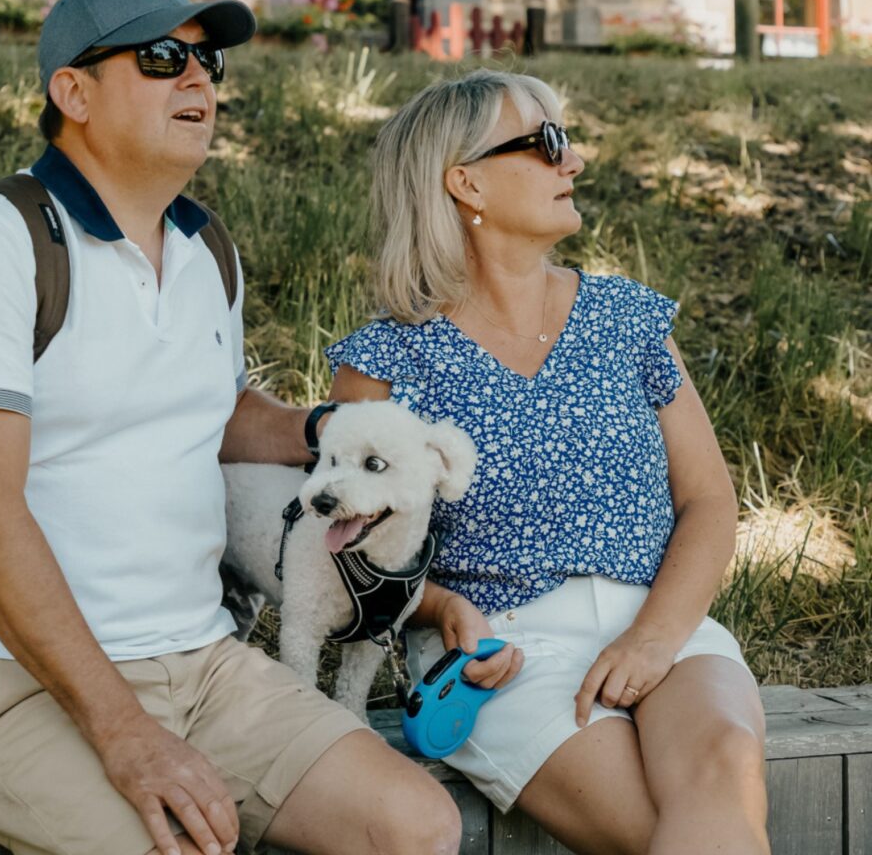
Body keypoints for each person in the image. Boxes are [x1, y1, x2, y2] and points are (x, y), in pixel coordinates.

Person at [0, 0, 462, 855]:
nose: (198, 79)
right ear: (71, 90)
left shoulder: (204, 246)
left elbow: (213, 411)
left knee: (415, 825)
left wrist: (327, 434)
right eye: (160, 57)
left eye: (207, 63)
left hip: (199, 661)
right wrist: (124, 733)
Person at [326, 69, 771, 855]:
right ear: (466, 183)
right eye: (548, 143)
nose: (574, 163)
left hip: (662, 622)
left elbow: (708, 499)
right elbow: (350, 544)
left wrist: (654, 640)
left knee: (724, 765)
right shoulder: (387, 361)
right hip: (504, 650)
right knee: (665, 831)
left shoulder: (626, 318)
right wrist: (436, 610)